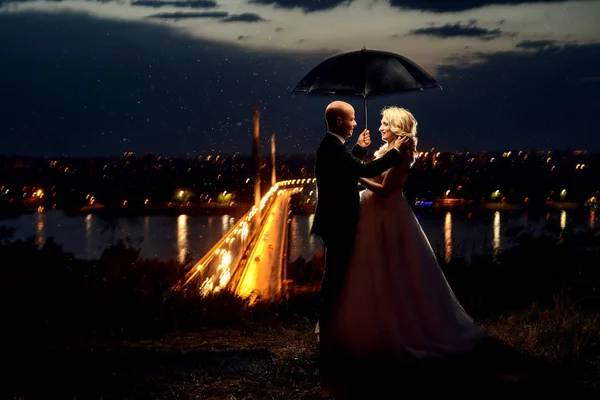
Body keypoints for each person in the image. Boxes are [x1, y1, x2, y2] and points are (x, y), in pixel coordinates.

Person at [328, 106, 487, 368]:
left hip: (386, 215)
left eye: (385, 125)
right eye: (381, 124)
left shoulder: (401, 154)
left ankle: (394, 330)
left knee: (391, 271)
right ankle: (372, 326)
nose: (380, 128)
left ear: (398, 129)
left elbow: (384, 189)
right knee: (369, 269)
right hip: (373, 213)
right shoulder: (387, 151)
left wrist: (356, 172)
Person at [310, 101, 412, 386]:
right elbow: (364, 170)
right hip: (337, 223)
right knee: (335, 278)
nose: (356, 124)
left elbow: (346, 169)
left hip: (335, 222)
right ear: (341, 122)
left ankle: (332, 334)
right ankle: (329, 338)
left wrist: (357, 150)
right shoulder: (332, 148)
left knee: (339, 276)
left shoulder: (332, 147)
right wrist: (394, 153)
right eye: (352, 120)